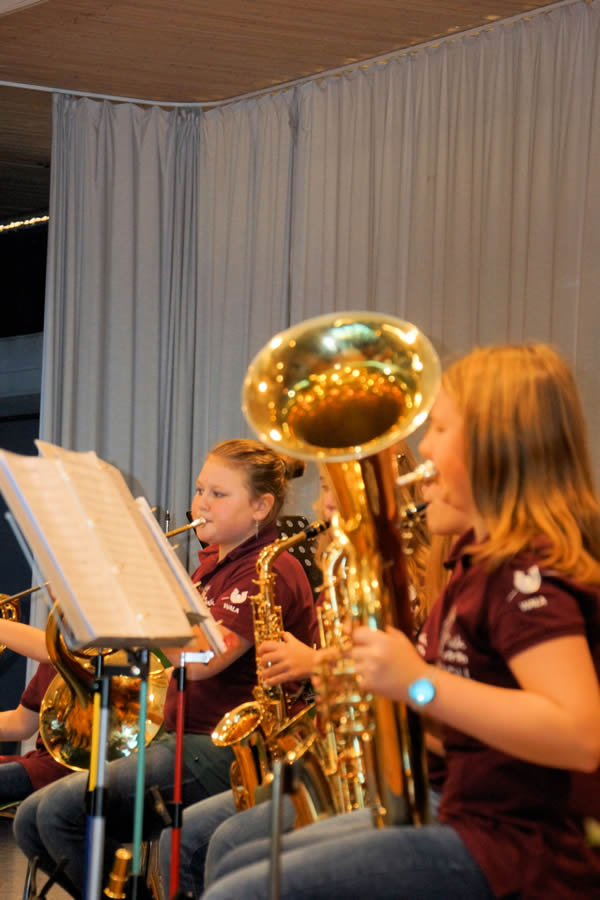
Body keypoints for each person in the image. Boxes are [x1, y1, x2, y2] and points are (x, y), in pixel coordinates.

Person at [201, 343, 600, 900]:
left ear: (496, 447)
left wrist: (415, 683)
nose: (425, 446)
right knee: (237, 863)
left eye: (440, 428)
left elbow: (579, 736)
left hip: (513, 852)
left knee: (239, 889)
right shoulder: (476, 566)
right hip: (467, 820)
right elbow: (471, 730)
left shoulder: (525, 573)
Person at [13, 438, 319, 899]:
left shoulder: (269, 568)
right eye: (200, 490)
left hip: (226, 749)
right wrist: (90, 604)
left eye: (219, 494)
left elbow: (201, 660)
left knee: (59, 814)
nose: (202, 503)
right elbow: (146, 653)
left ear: (261, 507)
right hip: (179, 738)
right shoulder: (211, 568)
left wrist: (148, 588)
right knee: (31, 820)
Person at [158, 444, 439, 898]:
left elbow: (409, 683)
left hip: (389, 773)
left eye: (341, 491)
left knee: (219, 843)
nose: (326, 505)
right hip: (335, 757)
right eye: (326, 488)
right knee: (201, 837)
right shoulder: (335, 571)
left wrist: (314, 664)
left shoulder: (412, 582)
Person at [0, 661, 71, 805]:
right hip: (40, 762)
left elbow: (50, 653)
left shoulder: (58, 653)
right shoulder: (47, 663)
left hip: (66, 767)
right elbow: (21, 724)